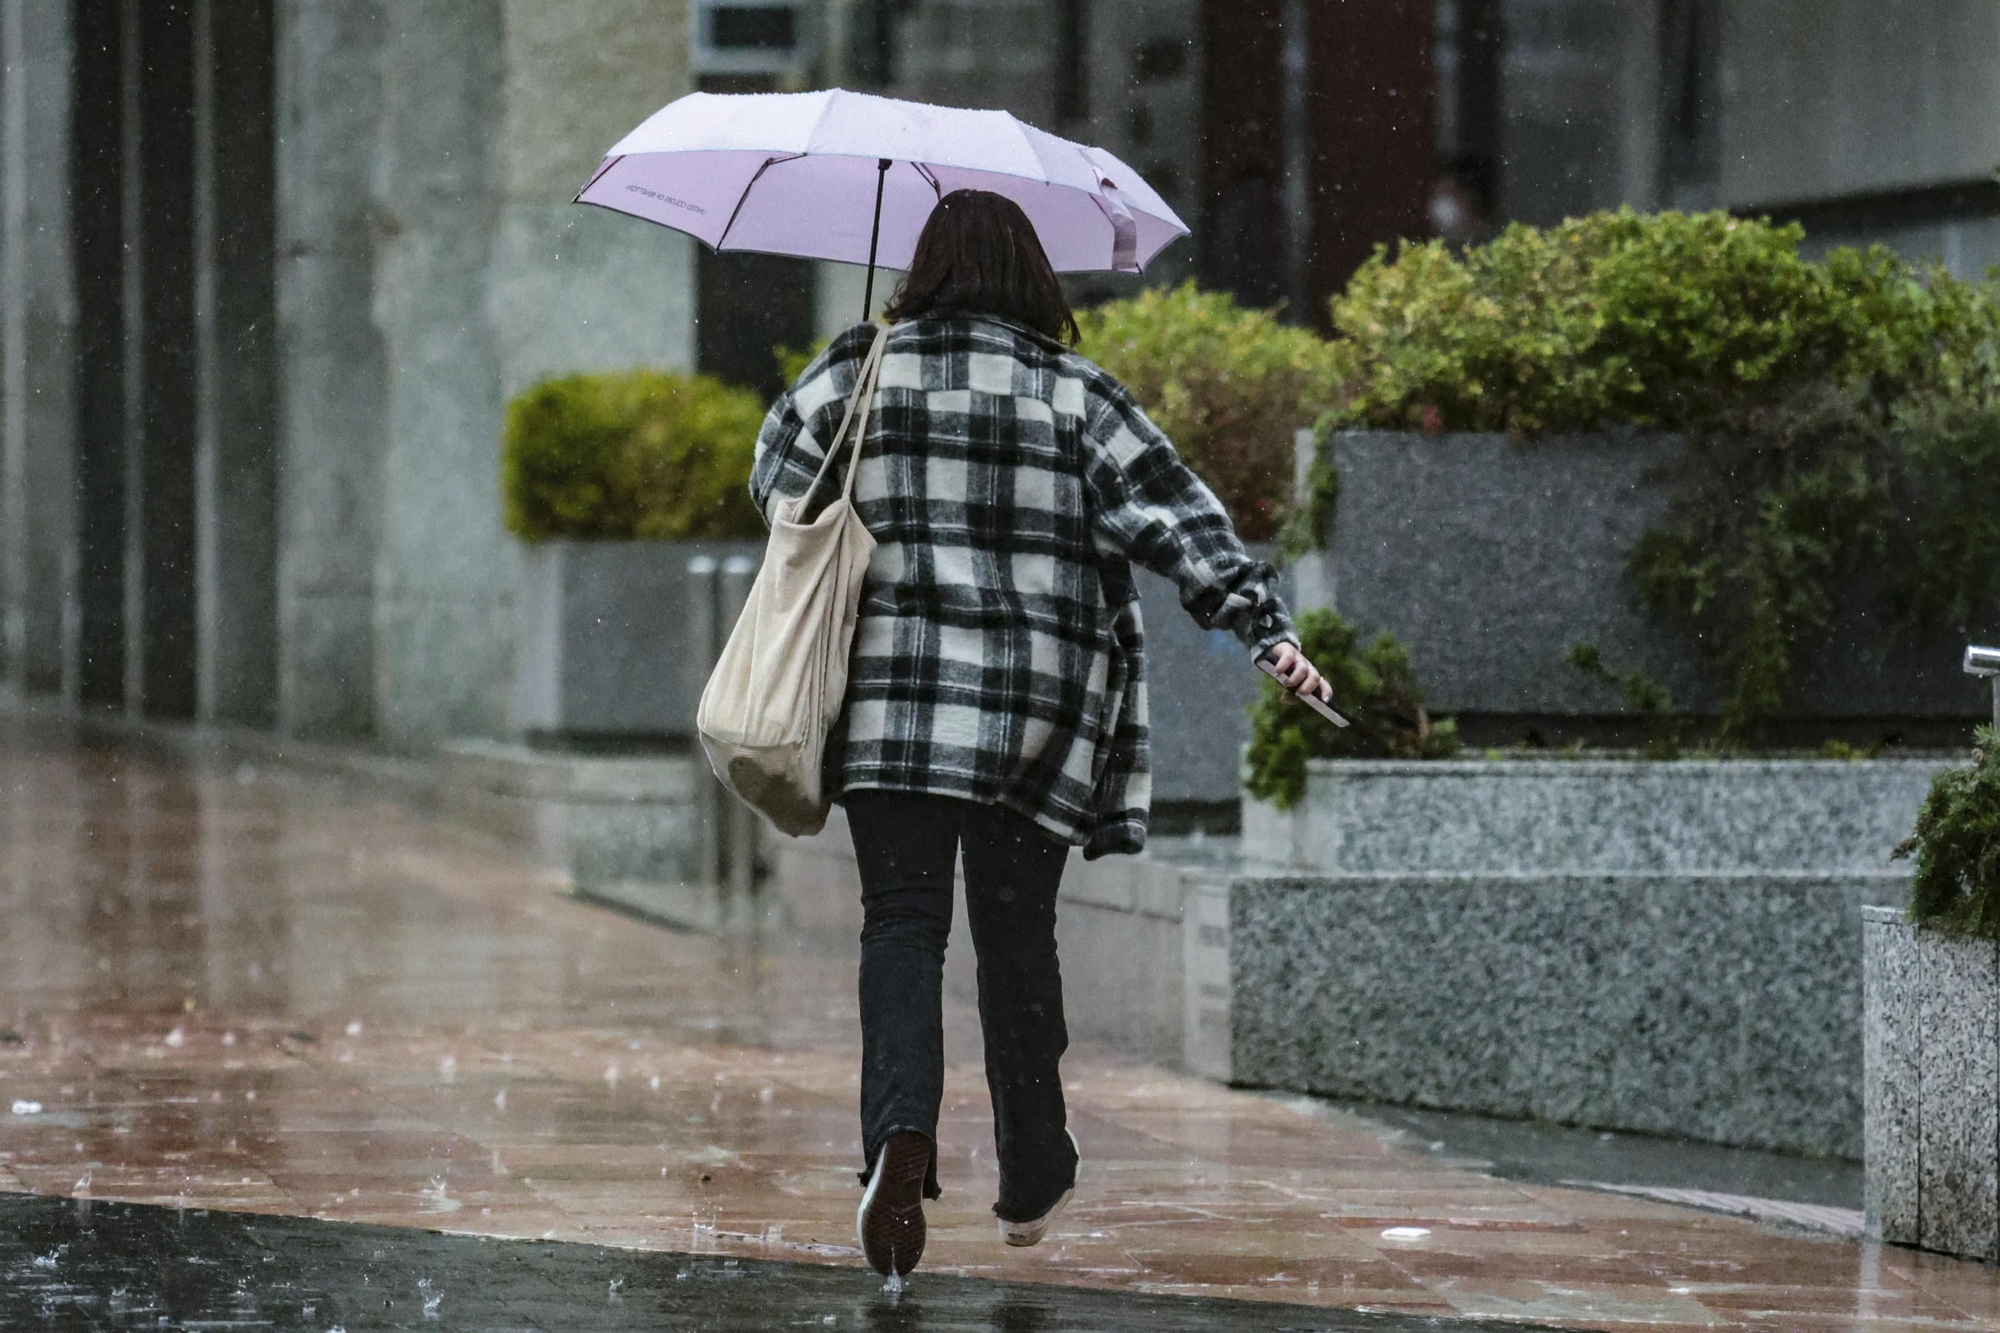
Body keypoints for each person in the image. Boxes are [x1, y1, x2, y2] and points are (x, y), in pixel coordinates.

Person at [749, 189, 1331, 1278]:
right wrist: (1260, 627)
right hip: (1035, 713)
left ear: (921, 266)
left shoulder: (857, 370)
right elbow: (1175, 516)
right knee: (1016, 940)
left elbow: (771, 483)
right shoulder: (1074, 392)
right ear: (1032, 276)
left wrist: (864, 386)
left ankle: (897, 1133)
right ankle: (1029, 1165)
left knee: (902, 928)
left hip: (896, 707)